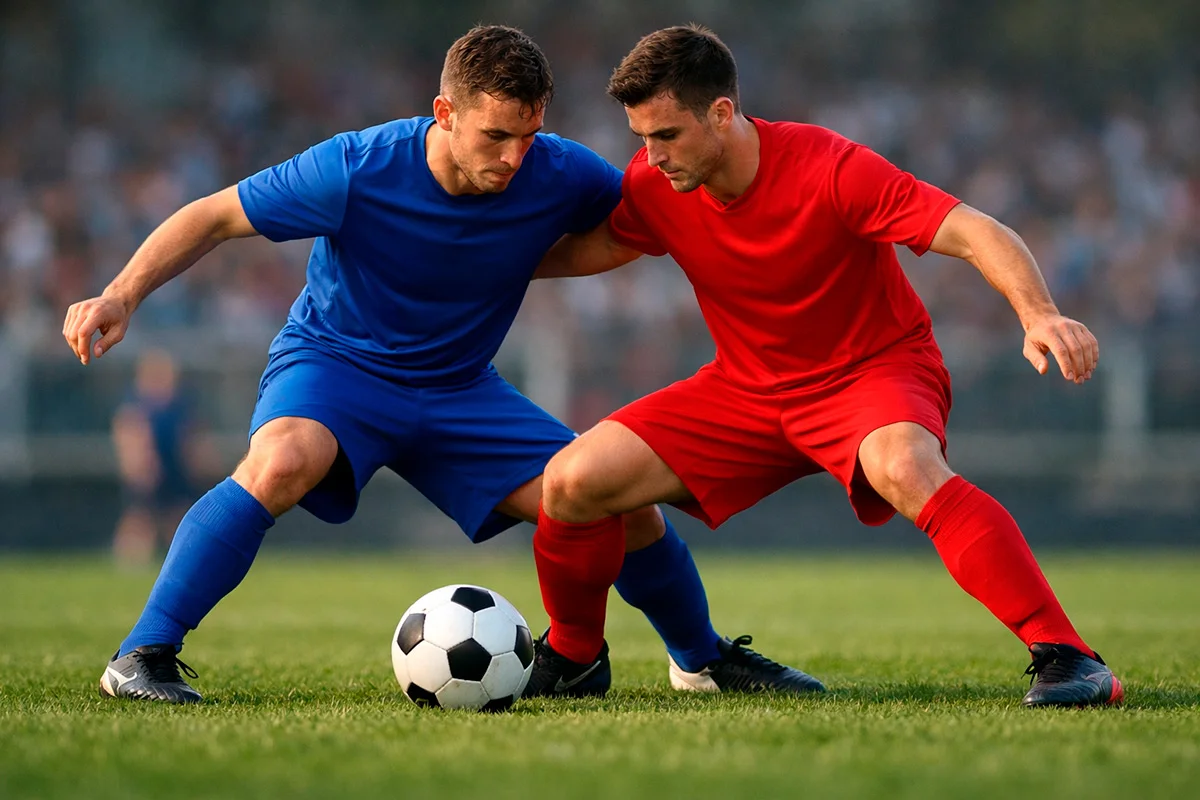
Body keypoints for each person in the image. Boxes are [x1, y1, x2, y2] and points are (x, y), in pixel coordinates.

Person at [63, 25, 819, 705]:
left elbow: (645, 219)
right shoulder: (357, 167)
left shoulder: (560, 172)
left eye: (529, 135)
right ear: (445, 113)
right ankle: (142, 655)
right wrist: (121, 294)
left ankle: (700, 660)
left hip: (460, 389)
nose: (514, 157)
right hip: (337, 367)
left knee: (618, 497)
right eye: (495, 136)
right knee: (284, 459)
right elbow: (215, 216)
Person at [525, 24, 1122, 708]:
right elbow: (595, 250)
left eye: (666, 135)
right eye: (641, 138)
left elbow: (973, 230)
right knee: (571, 481)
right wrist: (464, 268)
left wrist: (1039, 313)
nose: (650, 156)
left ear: (722, 113)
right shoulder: (656, 184)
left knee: (905, 468)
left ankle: (1070, 658)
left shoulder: (831, 166)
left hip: (873, 373)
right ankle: (573, 658)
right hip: (746, 389)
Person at [110, 348, 198, 566]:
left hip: (174, 468)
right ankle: (129, 565)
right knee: (140, 518)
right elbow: (129, 435)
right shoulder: (137, 406)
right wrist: (138, 465)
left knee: (178, 518)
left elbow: (189, 438)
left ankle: (182, 563)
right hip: (149, 470)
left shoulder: (178, 406)